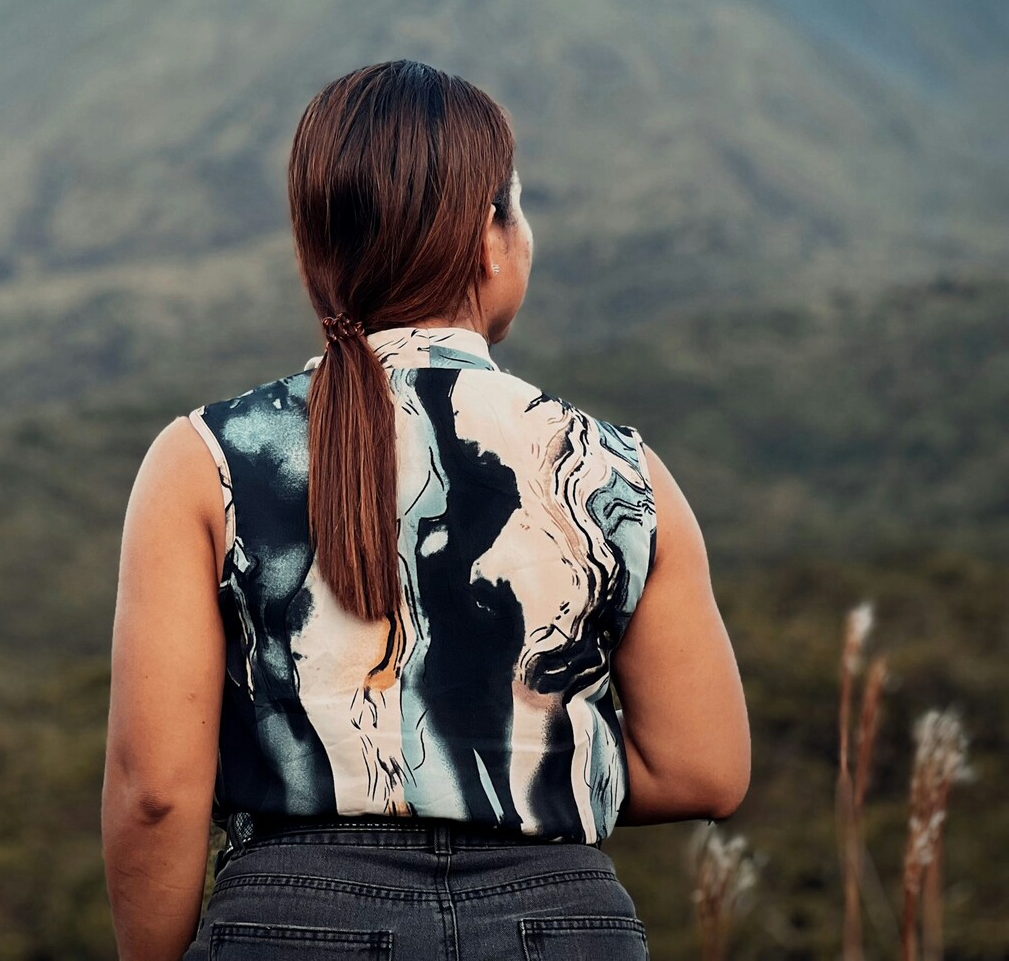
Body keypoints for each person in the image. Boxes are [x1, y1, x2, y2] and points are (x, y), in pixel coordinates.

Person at [103, 59, 750, 961]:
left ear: (313, 253)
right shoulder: (619, 470)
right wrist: (516, 755)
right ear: (493, 239)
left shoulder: (203, 459)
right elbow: (703, 770)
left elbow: (157, 794)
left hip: (295, 920)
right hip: (563, 922)